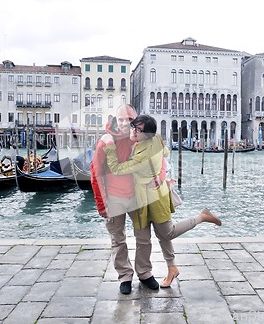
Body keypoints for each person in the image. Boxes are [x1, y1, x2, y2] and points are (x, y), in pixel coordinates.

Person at [104, 115, 222, 288]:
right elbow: (166, 156)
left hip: (155, 196)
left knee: (167, 233)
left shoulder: (143, 154)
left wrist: (109, 148)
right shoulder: (153, 141)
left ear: (147, 134)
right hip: (141, 199)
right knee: (146, 237)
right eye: (133, 126)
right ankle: (167, 268)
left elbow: (117, 169)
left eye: (137, 129)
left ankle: (202, 217)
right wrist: (161, 173)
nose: (133, 130)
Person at [91, 104, 159, 295]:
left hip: (138, 196)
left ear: (136, 121)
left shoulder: (141, 138)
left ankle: (144, 273)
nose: (124, 123)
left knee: (144, 237)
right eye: (121, 119)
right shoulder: (106, 141)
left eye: (129, 120)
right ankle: (125, 275)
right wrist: (100, 203)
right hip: (113, 198)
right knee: (118, 239)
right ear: (115, 119)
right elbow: (96, 173)